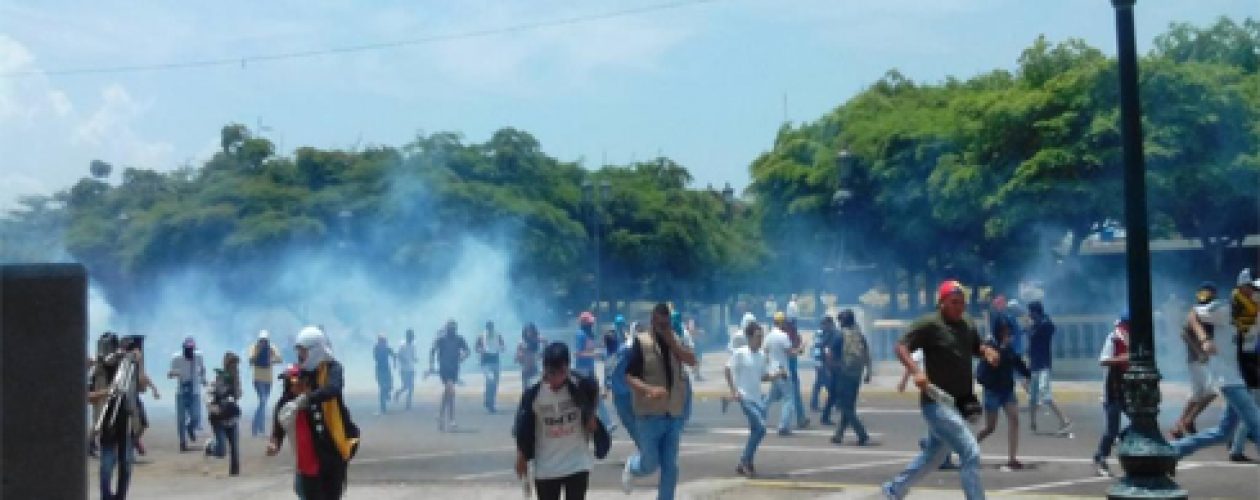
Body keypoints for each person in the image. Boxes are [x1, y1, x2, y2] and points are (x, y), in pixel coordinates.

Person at [882, 280, 999, 500]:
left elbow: (976, 346)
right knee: (970, 452)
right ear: (942, 302)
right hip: (936, 403)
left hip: (960, 402)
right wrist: (916, 371)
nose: (959, 307)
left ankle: (894, 490)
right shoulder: (929, 324)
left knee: (933, 456)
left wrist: (987, 352)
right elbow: (900, 347)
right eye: (954, 302)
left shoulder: (966, 323)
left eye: (962, 302)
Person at [1170, 287, 1260, 463]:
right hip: (1229, 378)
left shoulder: (1254, 316)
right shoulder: (1225, 309)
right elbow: (1192, 314)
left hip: (1243, 379)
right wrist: (1204, 339)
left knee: (1223, 433)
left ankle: (1175, 449)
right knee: (1256, 423)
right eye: (1255, 289)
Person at [513, 342, 610, 500]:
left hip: (577, 463)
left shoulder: (580, 385)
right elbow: (523, 426)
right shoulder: (533, 393)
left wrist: (590, 415)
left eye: (561, 373)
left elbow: (594, 390)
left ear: (567, 368)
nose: (555, 378)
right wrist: (521, 455)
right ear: (544, 368)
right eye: (551, 373)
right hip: (546, 468)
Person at [621, 303, 697, 500]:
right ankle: (633, 466)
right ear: (652, 321)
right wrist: (649, 390)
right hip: (649, 415)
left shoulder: (676, 341)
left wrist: (673, 343)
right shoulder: (641, 342)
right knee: (650, 464)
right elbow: (629, 376)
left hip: (673, 413)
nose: (663, 327)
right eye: (660, 323)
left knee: (670, 467)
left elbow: (691, 360)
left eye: (667, 323)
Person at [279, 326, 360, 499]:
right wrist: (276, 438)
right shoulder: (299, 374)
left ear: (315, 350)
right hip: (311, 447)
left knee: (332, 493)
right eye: (299, 352)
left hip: (334, 443)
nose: (300, 356)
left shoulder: (333, 369)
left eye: (303, 352)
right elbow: (284, 402)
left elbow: (333, 389)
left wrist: (308, 399)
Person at [974, 320, 1031, 470]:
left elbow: (1018, 364)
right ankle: (967, 448)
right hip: (993, 391)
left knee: (1014, 419)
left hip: (1007, 390)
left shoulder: (1009, 349)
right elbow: (982, 372)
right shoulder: (991, 348)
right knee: (990, 427)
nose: (1008, 336)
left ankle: (1012, 459)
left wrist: (1027, 375)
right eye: (1005, 333)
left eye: (1009, 333)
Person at [725, 320, 779, 477]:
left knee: (757, 431)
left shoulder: (761, 355)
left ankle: (745, 462)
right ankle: (745, 461)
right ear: (749, 337)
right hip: (745, 398)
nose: (760, 339)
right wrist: (734, 390)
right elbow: (727, 370)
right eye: (757, 336)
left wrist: (776, 375)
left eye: (761, 336)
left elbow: (762, 376)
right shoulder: (741, 353)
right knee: (761, 428)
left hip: (758, 399)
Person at [1171, 283, 1224, 439]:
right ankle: (1188, 421)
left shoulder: (1209, 312)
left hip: (1204, 358)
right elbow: (1184, 334)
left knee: (1198, 393)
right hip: (1198, 359)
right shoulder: (1198, 312)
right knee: (1212, 391)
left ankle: (1179, 426)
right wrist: (1199, 351)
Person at [91, 336, 140, 500]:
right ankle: (106, 496)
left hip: (126, 420)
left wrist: (139, 361)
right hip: (105, 420)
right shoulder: (96, 370)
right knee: (107, 463)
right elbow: (86, 396)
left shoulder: (128, 367)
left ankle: (121, 496)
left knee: (126, 463)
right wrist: (107, 392)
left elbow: (142, 386)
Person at [827, 309, 872, 446]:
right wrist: (868, 372)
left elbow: (830, 355)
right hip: (857, 374)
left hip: (844, 374)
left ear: (842, 321)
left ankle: (862, 433)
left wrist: (832, 370)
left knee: (845, 407)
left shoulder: (839, 336)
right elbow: (867, 354)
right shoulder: (859, 335)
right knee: (849, 405)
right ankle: (838, 435)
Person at [1093, 313, 1130, 477]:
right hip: (1112, 389)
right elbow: (1103, 360)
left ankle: (1122, 437)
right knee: (1111, 429)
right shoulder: (1114, 338)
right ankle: (1101, 457)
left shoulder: (1134, 339)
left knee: (1141, 420)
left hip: (1128, 388)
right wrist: (1123, 358)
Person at [1025, 301, 1072, 434]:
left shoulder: (1045, 324)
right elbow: (1030, 345)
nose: (1029, 314)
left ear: (1035, 312)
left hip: (1043, 364)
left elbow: (1049, 328)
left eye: (1031, 312)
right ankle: (1033, 423)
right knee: (1032, 397)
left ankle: (1065, 420)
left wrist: (1033, 324)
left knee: (1045, 395)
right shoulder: (1034, 326)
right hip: (1034, 364)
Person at [1228, 270, 1259, 462]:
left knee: (1243, 407)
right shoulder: (1239, 305)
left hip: (1248, 359)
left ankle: (1234, 443)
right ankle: (1236, 446)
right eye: (1251, 287)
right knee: (1252, 405)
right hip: (1246, 361)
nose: (1253, 291)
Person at [763, 312, 807, 435]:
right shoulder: (783, 336)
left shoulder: (768, 336)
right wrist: (800, 349)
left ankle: (758, 417)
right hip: (782, 371)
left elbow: (765, 353)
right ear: (782, 322)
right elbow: (790, 353)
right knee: (789, 399)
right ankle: (783, 426)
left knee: (770, 398)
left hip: (773, 371)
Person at [265, 364, 303, 497]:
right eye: (290, 383)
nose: (294, 386)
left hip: (321, 453)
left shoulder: (314, 398)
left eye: (296, 382)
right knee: (301, 488)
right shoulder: (283, 404)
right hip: (302, 457)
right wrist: (274, 444)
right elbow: (278, 430)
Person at [204, 352, 242, 476]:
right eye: (232, 365)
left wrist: (235, 385)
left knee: (235, 449)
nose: (234, 368)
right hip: (218, 419)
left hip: (232, 417)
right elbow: (209, 395)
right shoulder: (218, 378)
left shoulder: (236, 380)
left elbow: (238, 395)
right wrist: (214, 407)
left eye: (235, 365)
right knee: (221, 451)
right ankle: (210, 447)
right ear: (227, 365)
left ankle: (234, 473)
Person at [168, 336, 207, 452]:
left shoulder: (199, 356)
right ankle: (182, 441)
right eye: (187, 349)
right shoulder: (176, 358)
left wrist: (203, 379)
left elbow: (203, 369)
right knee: (181, 418)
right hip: (181, 392)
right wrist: (176, 374)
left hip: (195, 391)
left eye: (191, 349)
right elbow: (170, 373)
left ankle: (190, 428)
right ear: (183, 349)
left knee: (196, 416)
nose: (189, 352)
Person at [430, 320, 470, 431]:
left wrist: (463, 356)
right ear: (446, 329)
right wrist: (431, 365)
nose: (451, 331)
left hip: (454, 369)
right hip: (444, 369)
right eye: (450, 328)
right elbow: (432, 350)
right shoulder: (441, 339)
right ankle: (451, 419)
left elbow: (467, 350)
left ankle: (440, 416)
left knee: (448, 394)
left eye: (453, 329)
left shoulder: (459, 339)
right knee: (451, 391)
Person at [248, 330, 283, 437]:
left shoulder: (272, 348)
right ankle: (255, 426)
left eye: (265, 341)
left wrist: (271, 359)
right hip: (258, 379)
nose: (263, 342)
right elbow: (251, 359)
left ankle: (261, 427)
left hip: (268, 380)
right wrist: (258, 352)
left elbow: (280, 359)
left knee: (263, 403)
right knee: (263, 401)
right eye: (261, 340)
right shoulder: (254, 347)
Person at [476, 321, 505, 414]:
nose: (490, 329)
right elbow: (476, 347)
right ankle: (489, 401)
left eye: (491, 327)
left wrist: (501, 348)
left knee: (495, 383)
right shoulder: (481, 336)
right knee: (490, 380)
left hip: (495, 361)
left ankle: (490, 401)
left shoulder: (498, 335)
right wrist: (481, 350)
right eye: (488, 327)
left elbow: (503, 345)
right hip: (486, 362)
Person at [811, 316, 837, 414]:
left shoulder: (826, 333)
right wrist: (819, 363)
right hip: (821, 363)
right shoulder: (821, 334)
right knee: (828, 384)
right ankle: (834, 403)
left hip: (823, 362)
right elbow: (819, 348)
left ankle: (814, 404)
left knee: (820, 384)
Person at [393, 329, 418, 411]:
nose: (411, 338)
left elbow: (413, 356)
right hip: (403, 369)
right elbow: (398, 355)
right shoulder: (402, 345)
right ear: (407, 336)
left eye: (412, 336)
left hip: (411, 368)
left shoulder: (413, 345)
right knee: (406, 386)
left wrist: (415, 359)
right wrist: (403, 360)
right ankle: (397, 393)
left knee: (411, 387)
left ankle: (408, 403)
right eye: (410, 336)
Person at [517, 323, 545, 390]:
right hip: (526, 369)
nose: (529, 333)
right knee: (526, 390)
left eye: (531, 331)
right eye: (528, 331)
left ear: (534, 331)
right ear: (525, 332)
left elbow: (545, 342)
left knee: (535, 389)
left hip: (534, 368)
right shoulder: (522, 342)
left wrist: (542, 353)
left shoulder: (538, 340)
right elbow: (518, 356)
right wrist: (520, 355)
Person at [372, 335, 395, 415]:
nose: (383, 343)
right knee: (382, 387)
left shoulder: (387, 348)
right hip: (380, 370)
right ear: (379, 341)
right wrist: (382, 351)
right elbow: (375, 357)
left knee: (390, 385)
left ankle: (387, 393)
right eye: (382, 341)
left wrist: (395, 362)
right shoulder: (376, 348)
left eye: (384, 341)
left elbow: (393, 355)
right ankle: (383, 407)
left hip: (386, 369)